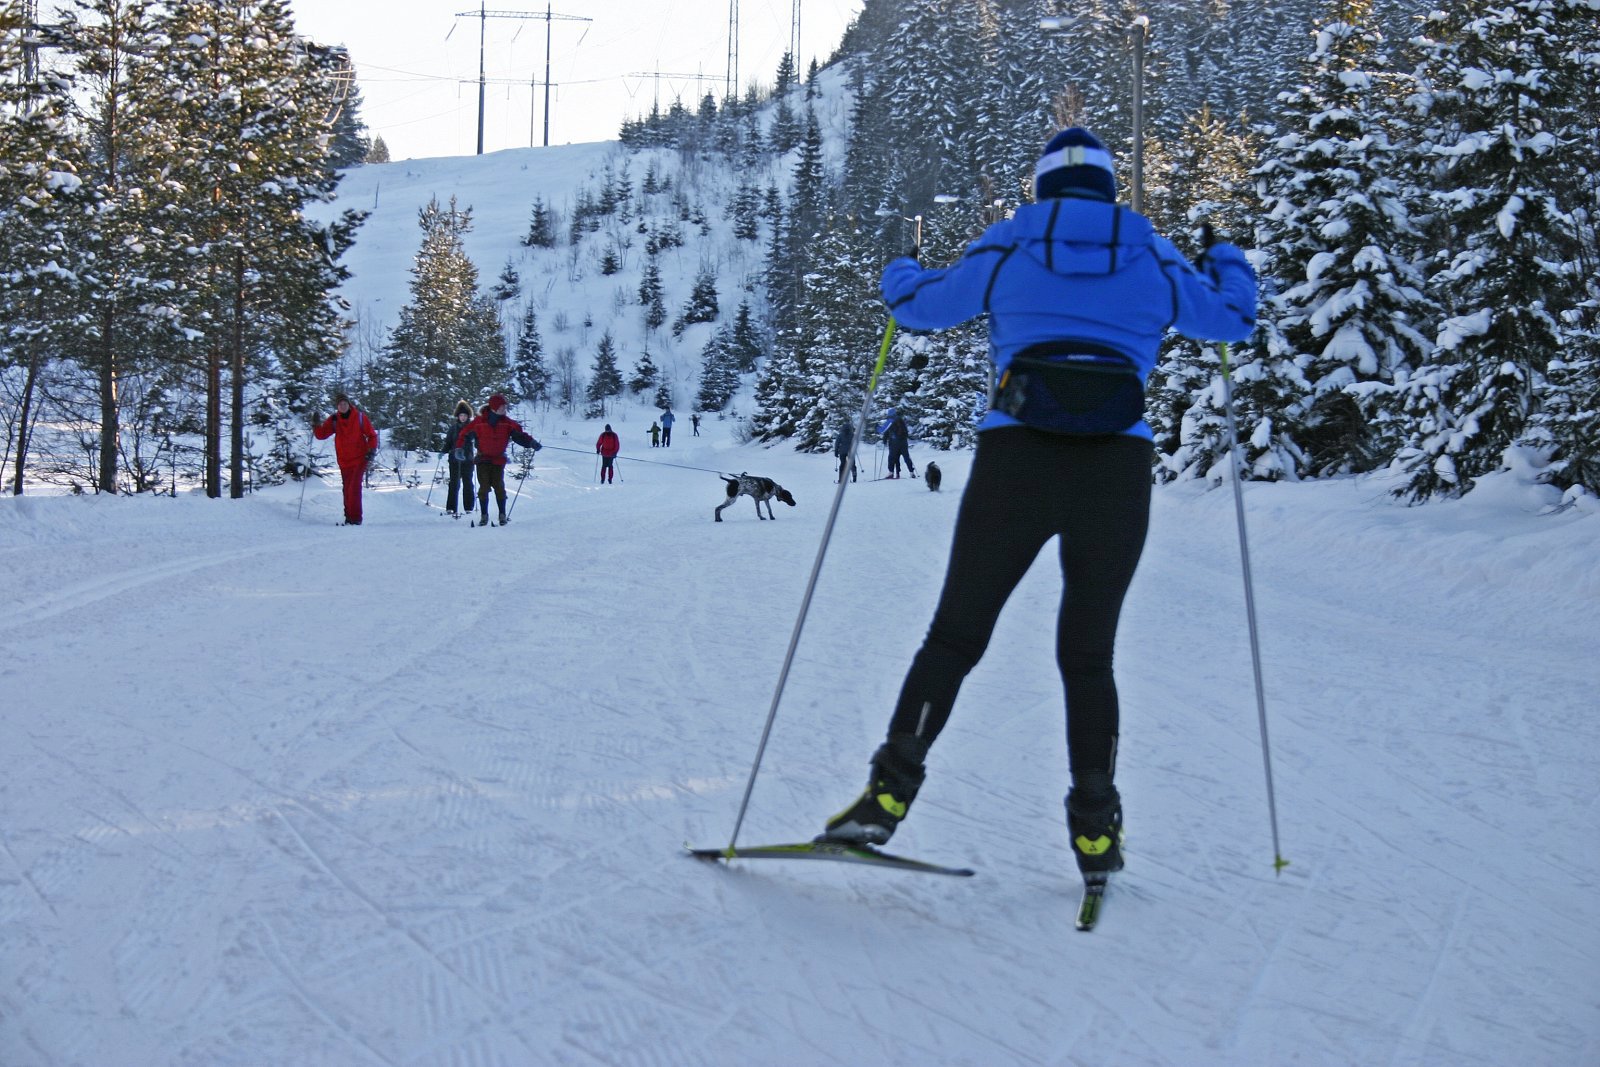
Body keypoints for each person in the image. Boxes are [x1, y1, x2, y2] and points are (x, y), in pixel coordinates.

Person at [821, 128, 1257, 883]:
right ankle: (1096, 832)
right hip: (1117, 464)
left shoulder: (1013, 241)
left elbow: (921, 308)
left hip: (1016, 456)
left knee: (954, 637)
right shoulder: (1152, 251)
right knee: (1089, 658)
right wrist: (1225, 256)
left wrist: (899, 266)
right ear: (1110, 188)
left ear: (1044, 186)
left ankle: (884, 799)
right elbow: (1231, 320)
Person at [456, 394, 540, 526]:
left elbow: (520, 436)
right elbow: (464, 434)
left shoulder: (507, 423)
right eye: (501, 406)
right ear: (494, 408)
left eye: (505, 406)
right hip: (482, 459)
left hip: (498, 460)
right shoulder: (479, 422)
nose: (504, 409)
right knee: (483, 487)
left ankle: (502, 514)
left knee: (499, 486)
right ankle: (484, 515)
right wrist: (459, 448)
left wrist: (531, 443)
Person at [313, 393, 379, 525]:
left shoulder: (360, 417)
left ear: (349, 404)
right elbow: (321, 435)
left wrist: (371, 450)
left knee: (353, 488)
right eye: (340, 404)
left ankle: (355, 519)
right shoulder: (334, 420)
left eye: (344, 404)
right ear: (337, 406)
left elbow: (372, 435)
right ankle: (349, 517)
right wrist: (315, 424)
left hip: (360, 458)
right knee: (347, 488)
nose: (342, 406)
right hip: (344, 460)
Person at [443, 400, 475, 516]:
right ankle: (451, 507)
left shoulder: (472, 428)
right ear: (458, 416)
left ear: (468, 416)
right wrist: (443, 451)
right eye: (461, 415)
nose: (463, 417)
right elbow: (448, 442)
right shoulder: (453, 428)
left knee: (468, 483)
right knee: (454, 483)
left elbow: (476, 440)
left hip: (467, 460)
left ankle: (469, 507)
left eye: (465, 415)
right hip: (454, 460)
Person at [883, 410, 916, 479]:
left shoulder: (890, 421)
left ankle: (891, 473)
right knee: (906, 457)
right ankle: (911, 472)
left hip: (894, 443)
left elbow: (885, 431)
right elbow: (906, 433)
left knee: (892, 458)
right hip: (903, 443)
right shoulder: (901, 421)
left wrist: (884, 440)